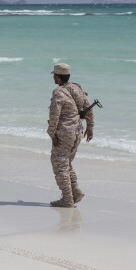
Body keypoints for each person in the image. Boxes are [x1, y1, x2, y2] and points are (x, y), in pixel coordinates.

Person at [47, 63, 94, 207]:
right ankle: (76, 191)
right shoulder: (77, 89)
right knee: (66, 162)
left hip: (64, 133)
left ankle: (67, 199)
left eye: (54, 75)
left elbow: (54, 114)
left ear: (58, 76)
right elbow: (88, 107)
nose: (54, 77)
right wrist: (90, 126)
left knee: (59, 164)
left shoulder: (59, 92)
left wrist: (52, 133)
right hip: (77, 132)